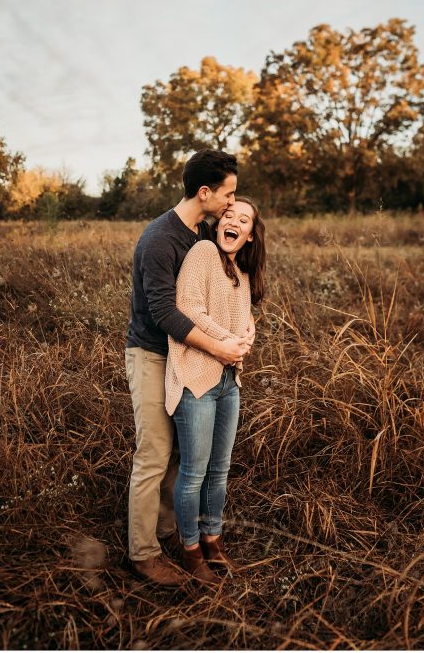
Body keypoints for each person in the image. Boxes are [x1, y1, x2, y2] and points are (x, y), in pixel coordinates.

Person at [125, 149, 254, 586]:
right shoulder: (161, 239)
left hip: (191, 356)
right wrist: (220, 348)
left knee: (183, 456)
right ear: (204, 192)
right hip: (152, 354)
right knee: (154, 454)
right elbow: (165, 313)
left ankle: (170, 533)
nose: (231, 203)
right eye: (228, 194)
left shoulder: (203, 233)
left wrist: (242, 331)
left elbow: (223, 290)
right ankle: (143, 555)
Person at [166, 196, 266, 585]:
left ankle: (213, 540)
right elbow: (189, 308)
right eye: (229, 215)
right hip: (196, 377)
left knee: (219, 470)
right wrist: (228, 340)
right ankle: (190, 549)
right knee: (194, 471)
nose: (234, 222)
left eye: (243, 220)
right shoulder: (204, 252)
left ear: (250, 235)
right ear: (219, 222)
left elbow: (242, 319)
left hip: (229, 382)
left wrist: (248, 334)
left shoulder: (241, 272)